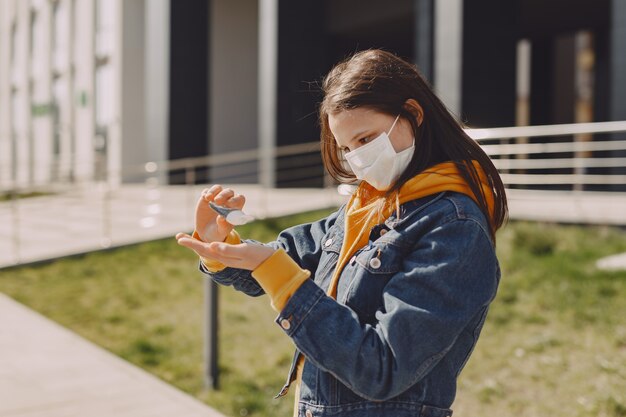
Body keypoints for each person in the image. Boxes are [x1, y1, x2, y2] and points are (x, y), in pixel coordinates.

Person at [176, 49, 508, 417]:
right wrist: (218, 243)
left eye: (366, 139)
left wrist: (278, 274)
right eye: (347, 147)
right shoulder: (365, 207)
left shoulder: (455, 228)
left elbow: (382, 369)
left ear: (413, 114)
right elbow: (273, 263)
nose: (358, 157)